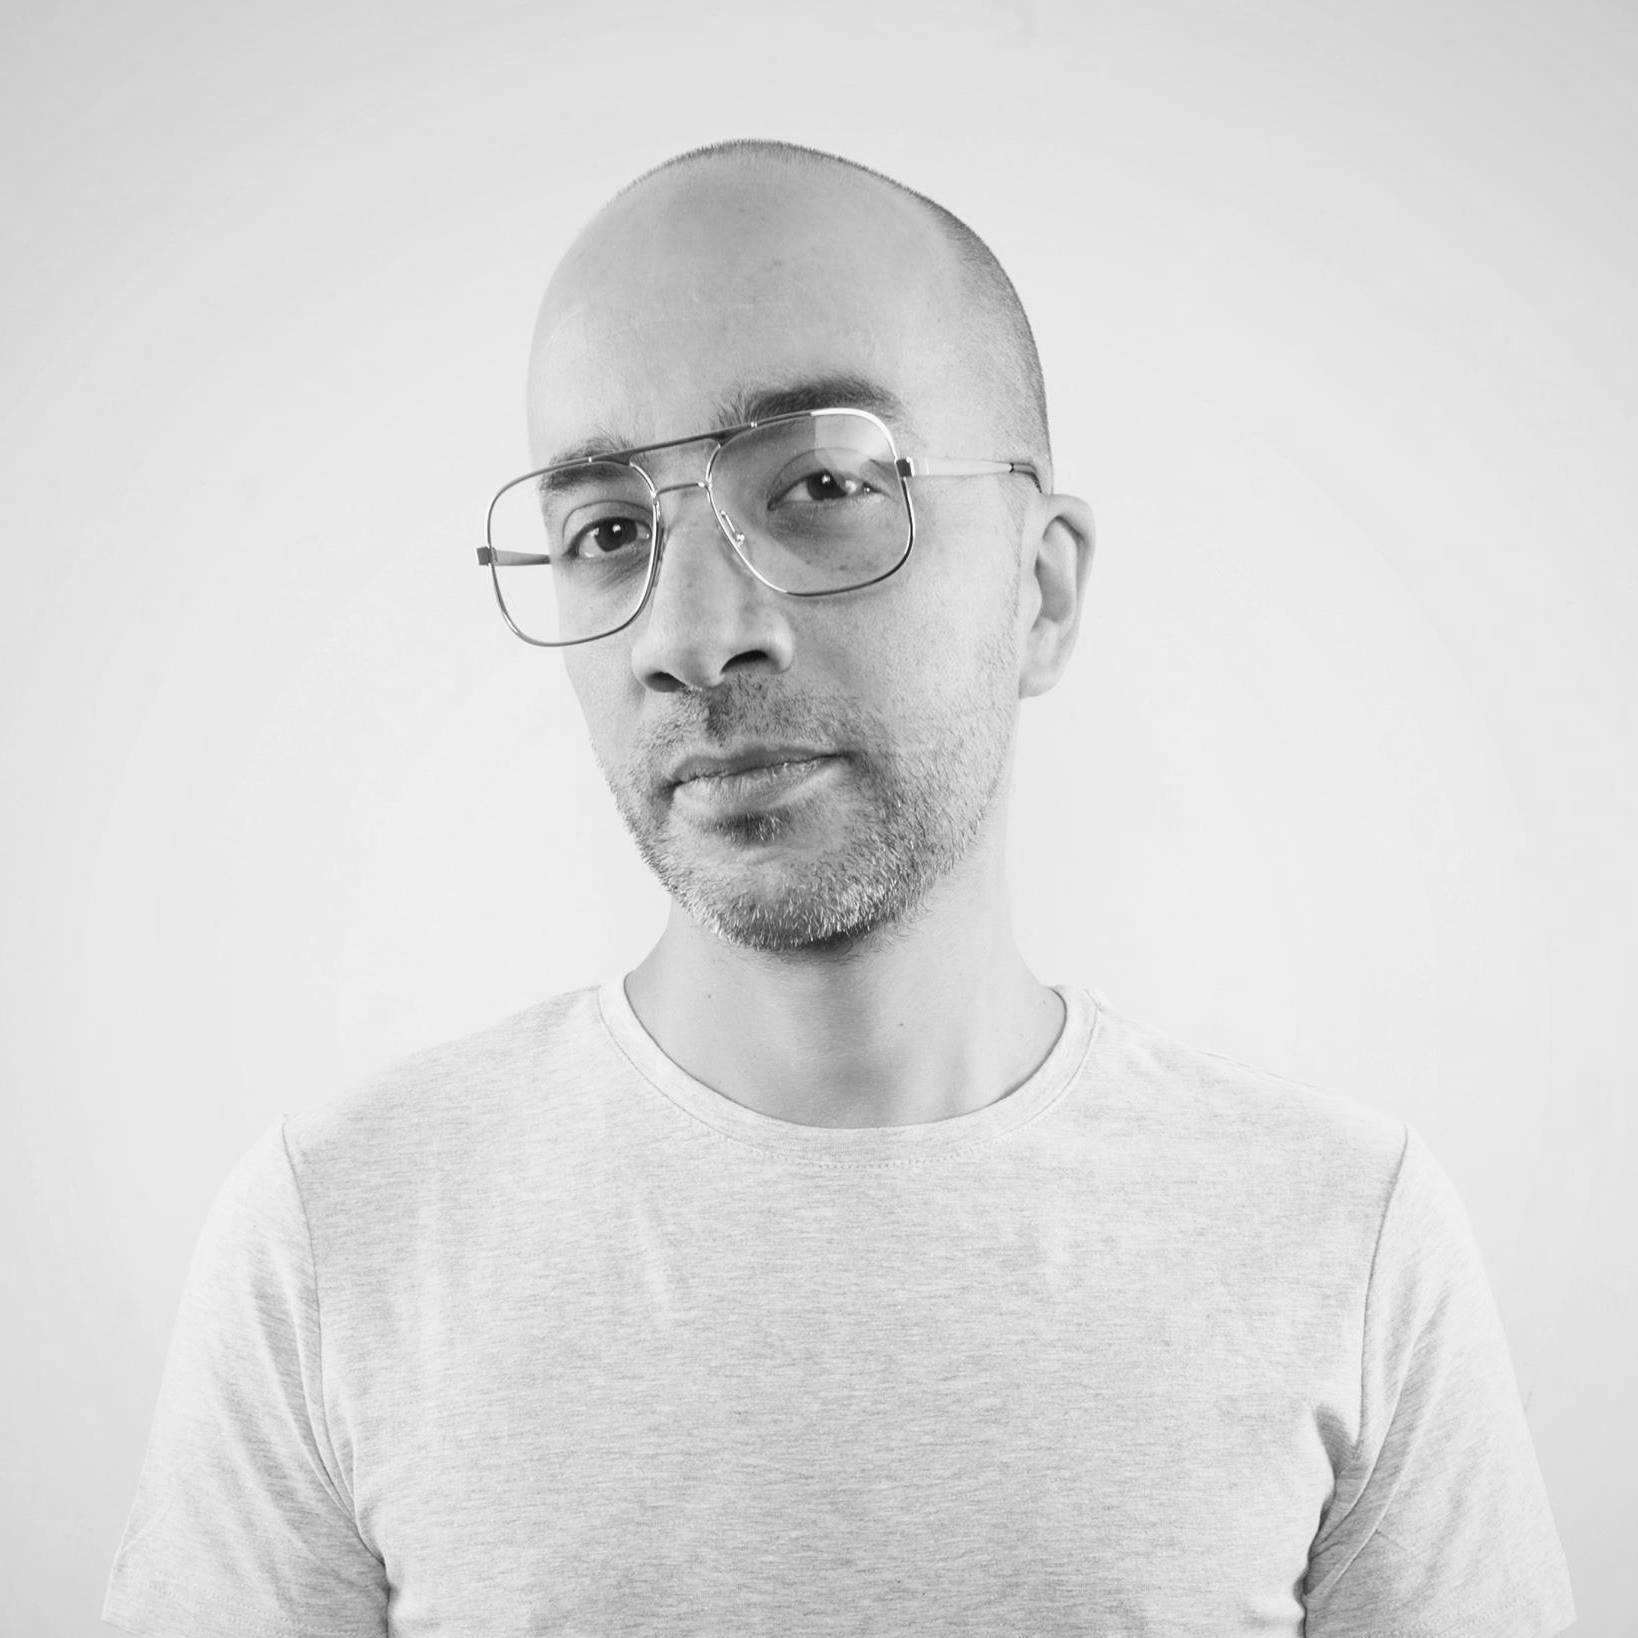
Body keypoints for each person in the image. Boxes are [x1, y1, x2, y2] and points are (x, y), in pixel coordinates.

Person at [102, 139, 1576, 1637]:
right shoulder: (337, 1241)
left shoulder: (1345, 1240)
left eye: (820, 484)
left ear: (1040, 589)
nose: (689, 634)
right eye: (607, 531)